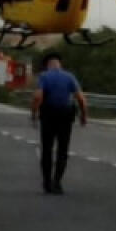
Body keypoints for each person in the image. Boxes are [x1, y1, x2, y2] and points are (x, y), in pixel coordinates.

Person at [31, 52, 87, 195]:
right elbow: (81, 98)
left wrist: (34, 114)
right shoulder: (69, 77)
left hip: (48, 115)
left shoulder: (44, 77)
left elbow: (38, 97)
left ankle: (47, 182)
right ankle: (57, 182)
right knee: (63, 150)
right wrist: (83, 116)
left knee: (47, 149)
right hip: (65, 116)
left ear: (47, 65)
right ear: (59, 63)